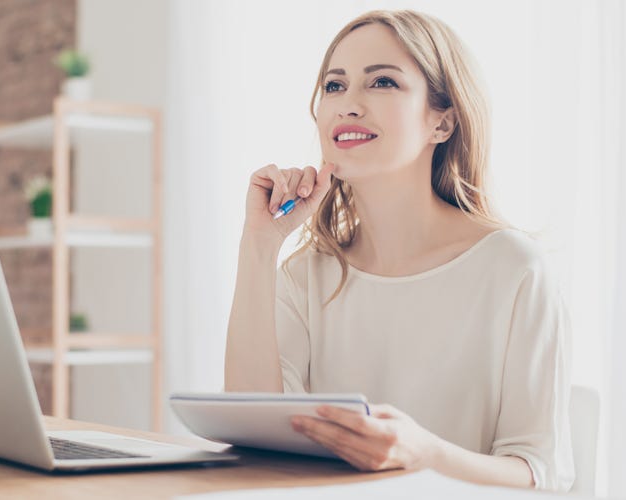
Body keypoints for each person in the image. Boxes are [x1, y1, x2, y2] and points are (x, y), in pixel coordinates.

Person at [224, 9, 573, 492]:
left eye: (382, 82)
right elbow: (255, 439)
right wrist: (259, 247)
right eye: (334, 86)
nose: (348, 104)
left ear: (442, 122)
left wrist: (424, 454)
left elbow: (540, 473)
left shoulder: (516, 270)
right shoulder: (305, 275)